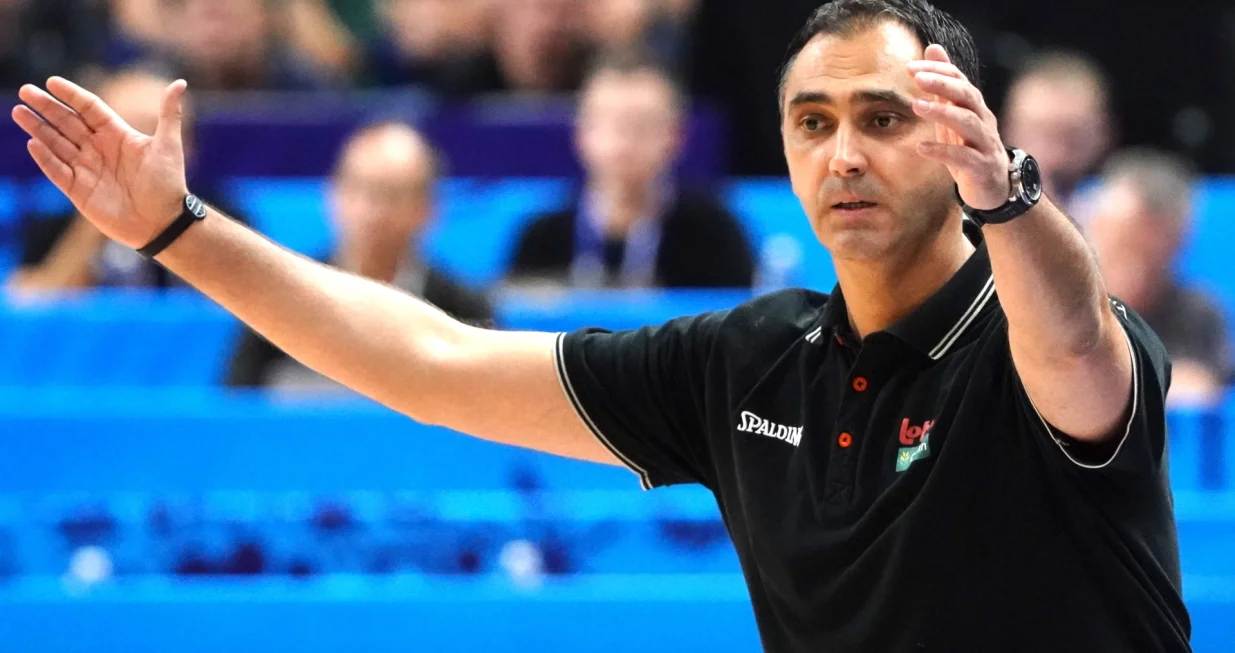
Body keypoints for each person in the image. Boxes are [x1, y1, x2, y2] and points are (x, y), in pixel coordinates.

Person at [11, 0, 1188, 650]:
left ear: (956, 135)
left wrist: (1005, 197)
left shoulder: (1053, 337)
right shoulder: (747, 364)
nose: (842, 152)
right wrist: (176, 230)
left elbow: (1073, 348)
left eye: (883, 117)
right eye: (812, 119)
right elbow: (434, 360)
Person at [225, 121, 494, 389]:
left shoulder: (465, 311)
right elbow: (238, 407)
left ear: (428, 207)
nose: (372, 212)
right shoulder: (279, 300)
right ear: (333, 195)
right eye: (359, 188)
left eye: (391, 195)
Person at [507, 52, 755, 289]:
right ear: (582, 132)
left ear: (676, 136)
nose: (623, 144)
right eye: (609, 124)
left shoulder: (715, 237)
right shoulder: (542, 239)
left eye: (641, 126)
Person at [6, 67, 245, 291]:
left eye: (157, 130)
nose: (139, 148)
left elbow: (250, 309)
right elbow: (29, 309)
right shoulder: (52, 219)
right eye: (124, 130)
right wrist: (92, 231)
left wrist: (177, 226)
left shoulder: (221, 216)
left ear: (190, 146)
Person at [1087, 148, 1229, 408]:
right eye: (1099, 228)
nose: (1099, 244)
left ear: (1171, 237)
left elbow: (1199, 389)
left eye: (1123, 240)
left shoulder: (1197, 313)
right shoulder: (1064, 302)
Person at [1000, 50, 1114, 211]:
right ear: (1007, 129)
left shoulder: (1122, 211)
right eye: (1039, 134)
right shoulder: (971, 207)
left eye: (1072, 137)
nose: (1055, 158)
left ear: (1104, 133)